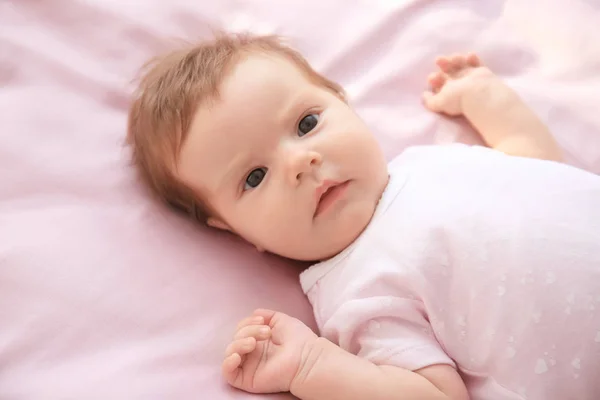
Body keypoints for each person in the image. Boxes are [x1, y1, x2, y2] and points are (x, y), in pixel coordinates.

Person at [127, 33, 600, 400]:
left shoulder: (429, 161)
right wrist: (309, 367)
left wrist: (487, 100)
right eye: (254, 177)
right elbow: (435, 393)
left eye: (306, 124)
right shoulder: (353, 290)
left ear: (344, 103)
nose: (299, 163)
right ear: (231, 228)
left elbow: (534, 166)